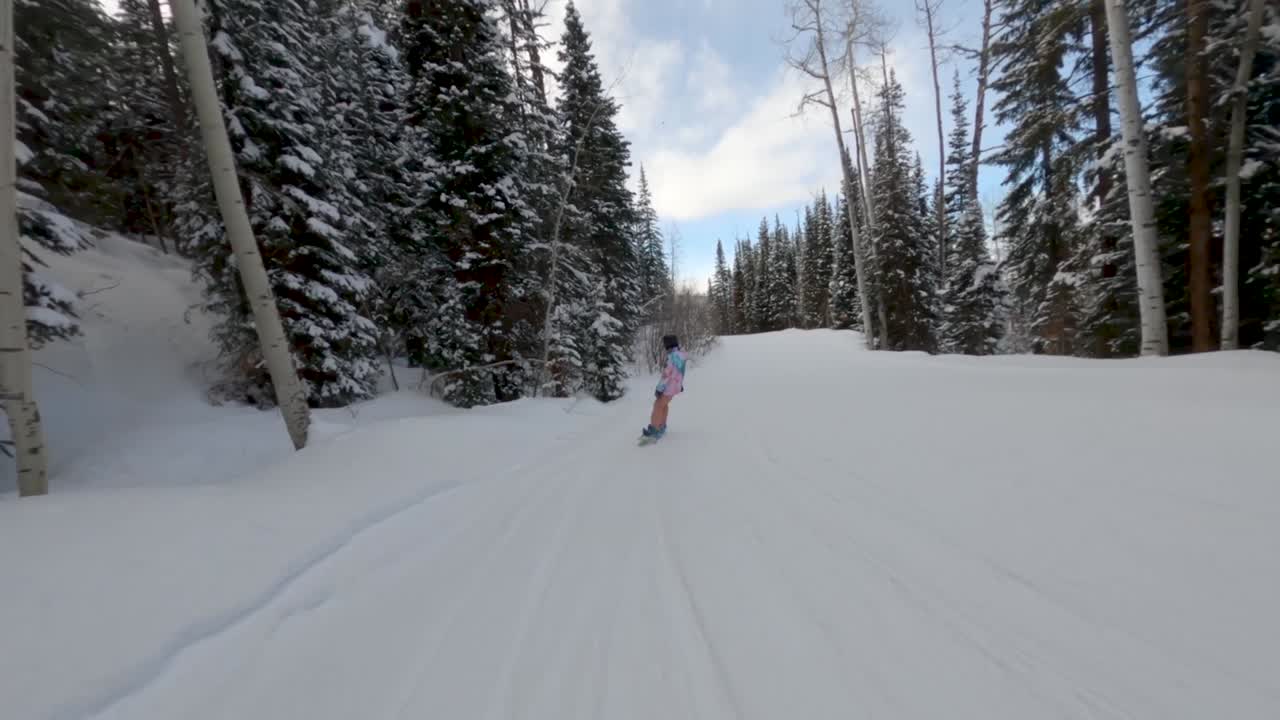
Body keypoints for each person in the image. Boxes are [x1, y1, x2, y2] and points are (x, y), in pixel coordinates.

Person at [643, 334, 686, 439]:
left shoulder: (672, 357)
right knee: (664, 405)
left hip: (668, 387)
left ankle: (654, 430)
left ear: (667, 344)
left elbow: (666, 375)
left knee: (657, 405)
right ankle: (662, 426)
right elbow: (680, 372)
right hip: (675, 386)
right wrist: (680, 384)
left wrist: (659, 388)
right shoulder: (681, 355)